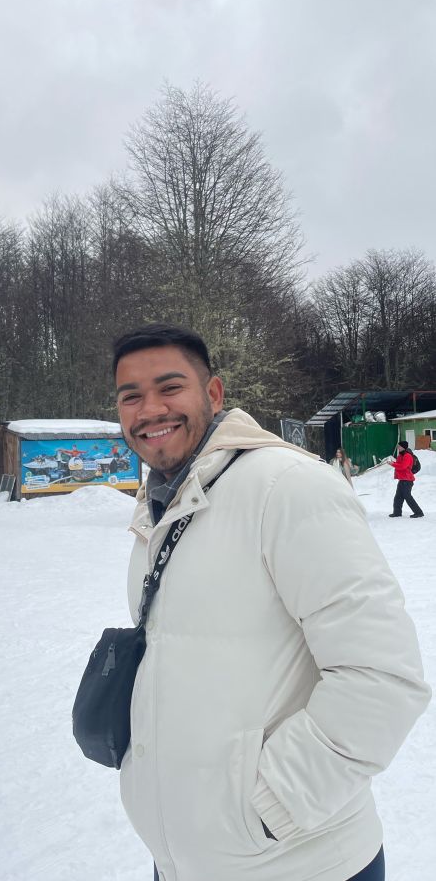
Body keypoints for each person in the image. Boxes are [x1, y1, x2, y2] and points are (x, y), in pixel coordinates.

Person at [111, 324, 430, 881]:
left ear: (213, 394)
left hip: (299, 863)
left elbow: (382, 677)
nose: (150, 409)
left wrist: (269, 808)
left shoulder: (288, 487)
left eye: (170, 387)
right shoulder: (164, 502)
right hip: (187, 861)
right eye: (130, 396)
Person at [387, 441, 424, 518]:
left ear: (403, 447)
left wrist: (392, 464)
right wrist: (393, 463)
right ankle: (397, 512)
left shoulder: (407, 456)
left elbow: (403, 466)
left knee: (408, 497)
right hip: (402, 480)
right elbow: (399, 464)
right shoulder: (400, 455)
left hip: (407, 480)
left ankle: (419, 512)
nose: (398, 447)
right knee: (398, 497)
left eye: (399, 446)